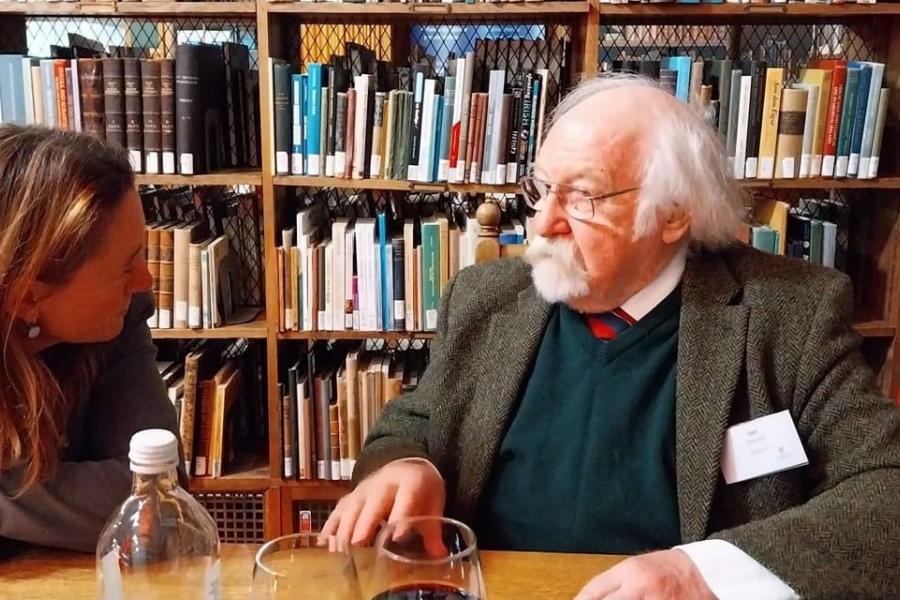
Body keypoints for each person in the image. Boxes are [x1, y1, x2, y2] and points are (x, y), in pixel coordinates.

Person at [322, 74, 900, 599]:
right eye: (540, 190)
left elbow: (886, 492)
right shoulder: (486, 298)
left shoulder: (787, 314)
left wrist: (703, 574)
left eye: (582, 198)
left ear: (672, 214)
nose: (543, 222)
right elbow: (414, 423)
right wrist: (405, 467)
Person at [0, 125, 178, 553]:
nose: (145, 281)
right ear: (27, 296)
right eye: (123, 267)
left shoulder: (120, 319)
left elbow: (154, 497)